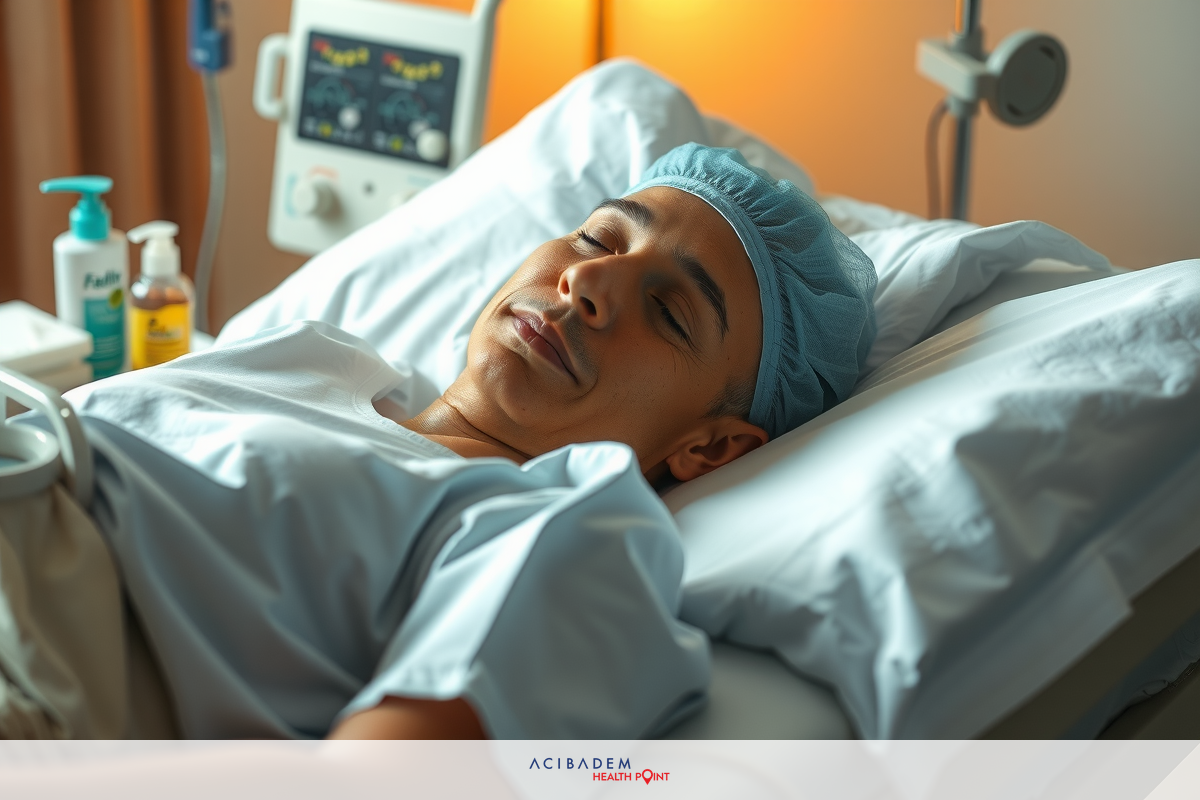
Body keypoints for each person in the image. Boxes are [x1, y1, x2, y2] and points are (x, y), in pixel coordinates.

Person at [13, 144, 876, 740]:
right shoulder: (315, 356)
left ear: (710, 449)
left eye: (668, 310)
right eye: (595, 237)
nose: (587, 282)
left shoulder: (569, 534)